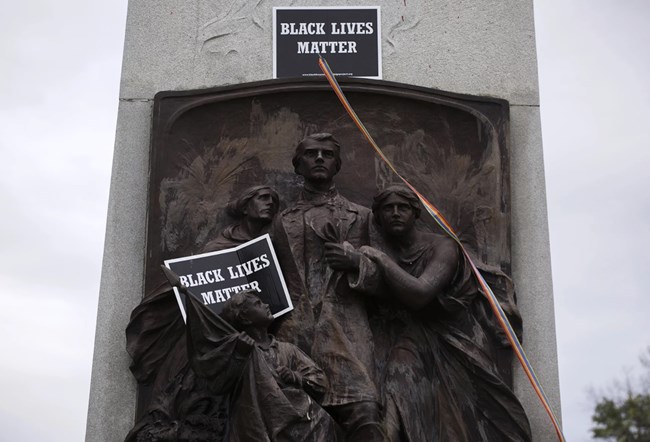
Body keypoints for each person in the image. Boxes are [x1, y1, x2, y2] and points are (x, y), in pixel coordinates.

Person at [325, 185, 532, 442]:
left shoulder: (444, 248)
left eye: (403, 208)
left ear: (416, 214)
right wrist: (358, 263)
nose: (396, 213)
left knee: (472, 415)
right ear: (378, 217)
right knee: (397, 379)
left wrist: (377, 259)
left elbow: (420, 294)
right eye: (388, 209)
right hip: (416, 333)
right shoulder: (388, 248)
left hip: (458, 337)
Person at [271, 133, 385, 441]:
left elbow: (388, 278)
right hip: (295, 335)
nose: (319, 158)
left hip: (346, 331)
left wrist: (356, 263)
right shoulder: (280, 221)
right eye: (311, 154)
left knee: (364, 418)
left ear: (337, 165)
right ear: (298, 166)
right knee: (296, 422)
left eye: (327, 154)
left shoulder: (362, 216)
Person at [187, 290, 337, 442]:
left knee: (324, 419)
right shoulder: (238, 351)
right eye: (258, 304)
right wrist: (239, 354)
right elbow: (218, 386)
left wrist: (296, 377)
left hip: (299, 424)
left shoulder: (287, 350)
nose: (266, 305)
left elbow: (320, 381)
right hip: (257, 429)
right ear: (245, 318)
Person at [203, 185, 280, 251]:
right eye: (263, 198)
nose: (271, 203)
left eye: (274, 201)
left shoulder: (277, 241)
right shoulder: (217, 247)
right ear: (245, 208)